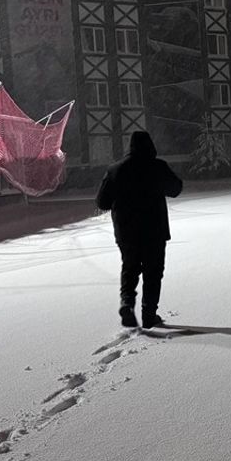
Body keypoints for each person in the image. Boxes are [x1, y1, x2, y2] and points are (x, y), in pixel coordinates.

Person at [95, 131, 183, 328]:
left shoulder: (115, 170)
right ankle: (149, 314)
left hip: (126, 231)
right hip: (154, 229)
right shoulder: (157, 167)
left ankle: (127, 302)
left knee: (130, 267)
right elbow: (176, 189)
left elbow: (102, 202)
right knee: (153, 271)